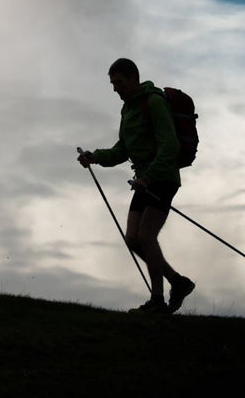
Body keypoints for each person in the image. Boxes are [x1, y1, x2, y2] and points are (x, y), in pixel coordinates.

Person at [78, 58, 195, 314]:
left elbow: (169, 145)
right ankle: (178, 282)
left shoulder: (153, 102)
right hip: (142, 180)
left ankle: (157, 299)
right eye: (112, 83)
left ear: (133, 78)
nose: (114, 89)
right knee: (132, 238)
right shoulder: (127, 109)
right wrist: (95, 156)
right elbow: (123, 149)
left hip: (161, 177)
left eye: (118, 82)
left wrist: (149, 177)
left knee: (146, 235)